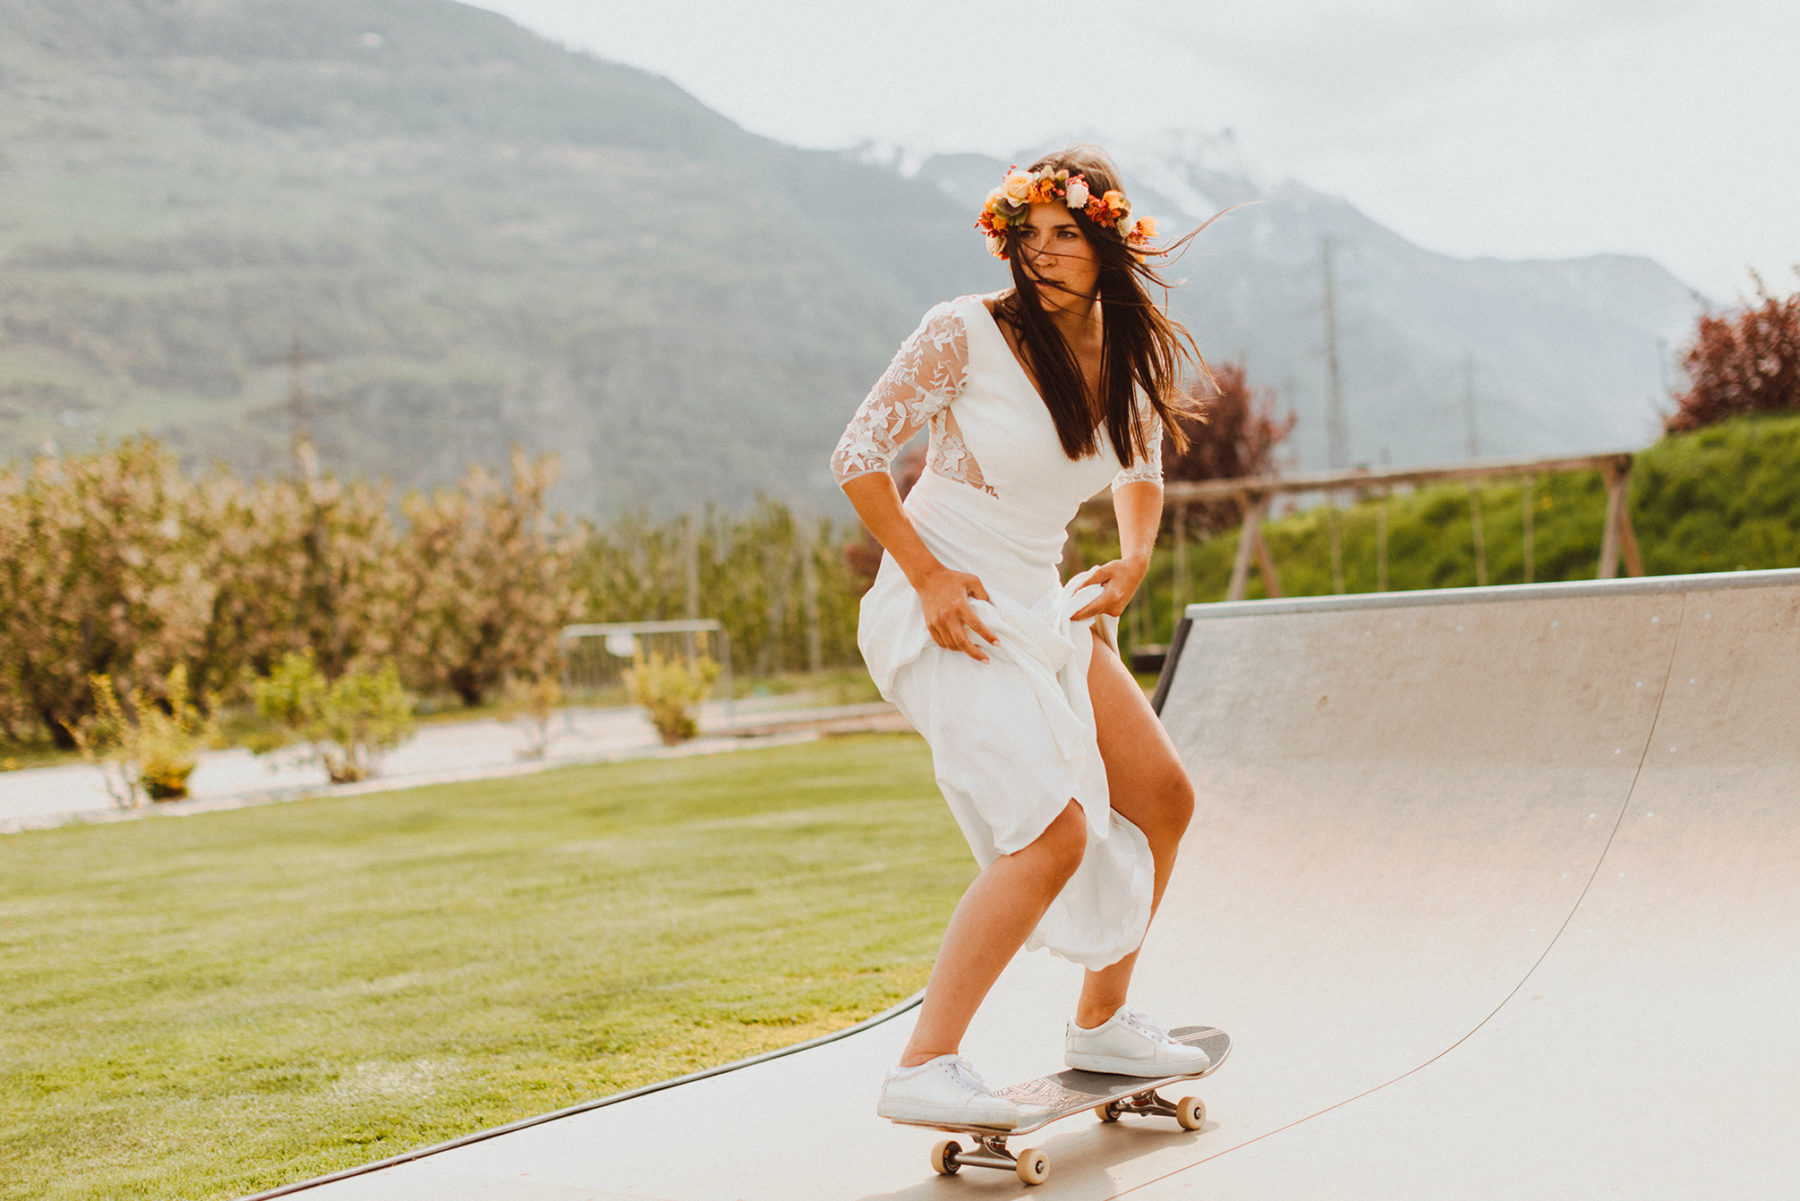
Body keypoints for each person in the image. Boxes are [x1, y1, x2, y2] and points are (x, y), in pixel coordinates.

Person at [831, 145, 1230, 1129]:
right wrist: (922, 574)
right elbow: (858, 454)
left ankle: (1101, 1022)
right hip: (947, 601)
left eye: (1066, 234)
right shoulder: (962, 332)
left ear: (1107, 242)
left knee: (1162, 797)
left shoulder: (1125, 360)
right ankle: (925, 1064)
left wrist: (1134, 559)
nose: (1043, 254)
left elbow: (1139, 470)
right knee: (1050, 832)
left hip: (1038, 602)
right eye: (1029, 235)